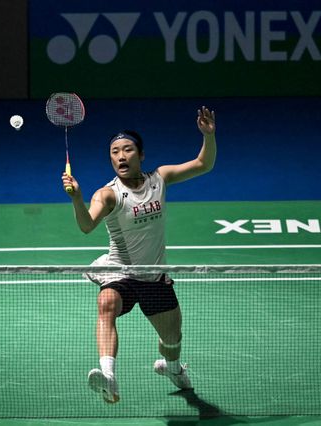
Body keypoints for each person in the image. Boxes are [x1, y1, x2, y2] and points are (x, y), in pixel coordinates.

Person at [61, 106, 216, 404]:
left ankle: (173, 369)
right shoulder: (107, 194)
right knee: (106, 303)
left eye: (127, 150)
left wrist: (208, 136)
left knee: (171, 341)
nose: (121, 156)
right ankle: (109, 377)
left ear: (141, 155)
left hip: (154, 275)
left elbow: (203, 164)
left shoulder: (159, 178)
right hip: (120, 271)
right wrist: (77, 198)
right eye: (114, 152)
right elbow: (86, 225)